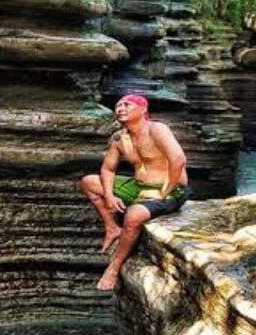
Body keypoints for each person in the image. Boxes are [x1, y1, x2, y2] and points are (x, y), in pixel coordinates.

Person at [79, 94, 189, 291]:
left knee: (134, 215)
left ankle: (113, 268)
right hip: (138, 186)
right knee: (89, 182)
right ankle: (112, 228)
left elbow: (178, 159)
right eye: (118, 105)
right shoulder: (119, 138)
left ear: (143, 109)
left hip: (170, 189)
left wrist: (165, 191)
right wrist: (110, 196)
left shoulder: (157, 129)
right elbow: (108, 169)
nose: (120, 108)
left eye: (127, 105)